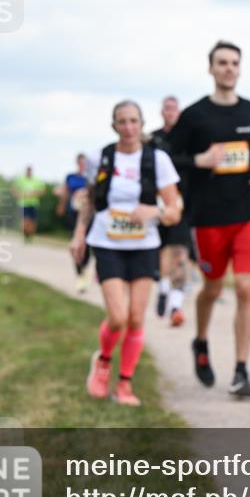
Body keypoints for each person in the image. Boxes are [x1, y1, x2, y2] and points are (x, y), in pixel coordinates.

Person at [167, 41, 250, 398]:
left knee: (245, 288)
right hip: (208, 217)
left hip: (247, 213)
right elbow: (167, 158)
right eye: (222, 63)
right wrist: (199, 161)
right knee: (212, 288)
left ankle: (241, 370)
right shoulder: (194, 116)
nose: (229, 68)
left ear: (240, 69)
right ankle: (200, 342)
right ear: (211, 69)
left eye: (234, 63)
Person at [70, 100, 181, 407]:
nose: (129, 128)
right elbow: (90, 199)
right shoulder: (101, 158)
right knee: (117, 317)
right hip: (107, 243)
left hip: (144, 245)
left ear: (142, 124)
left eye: (134, 121)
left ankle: (125, 385)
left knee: (135, 318)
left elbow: (174, 210)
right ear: (114, 125)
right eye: (122, 122)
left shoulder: (157, 160)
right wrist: (79, 235)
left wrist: (154, 211)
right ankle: (103, 363)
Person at [151, 96, 192, 327]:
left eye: (174, 109)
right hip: (157, 206)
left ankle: (176, 306)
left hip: (182, 205)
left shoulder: (188, 139)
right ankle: (163, 289)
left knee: (179, 255)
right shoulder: (154, 139)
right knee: (160, 254)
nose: (171, 112)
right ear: (162, 112)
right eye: (167, 108)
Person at [57, 154, 92, 292]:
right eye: (81, 162)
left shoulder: (90, 177)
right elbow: (65, 193)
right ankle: (80, 272)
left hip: (88, 215)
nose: (83, 164)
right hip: (73, 213)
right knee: (76, 243)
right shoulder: (70, 177)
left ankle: (85, 267)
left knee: (87, 244)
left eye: (85, 162)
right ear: (77, 163)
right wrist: (61, 205)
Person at [13, 166, 46, 243]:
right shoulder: (21, 180)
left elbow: (42, 191)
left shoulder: (37, 180)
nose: (29, 172)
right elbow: (13, 188)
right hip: (24, 204)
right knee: (25, 221)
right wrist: (18, 195)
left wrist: (34, 194)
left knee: (32, 222)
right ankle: (25, 235)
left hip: (34, 204)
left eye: (30, 171)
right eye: (27, 171)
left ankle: (30, 236)